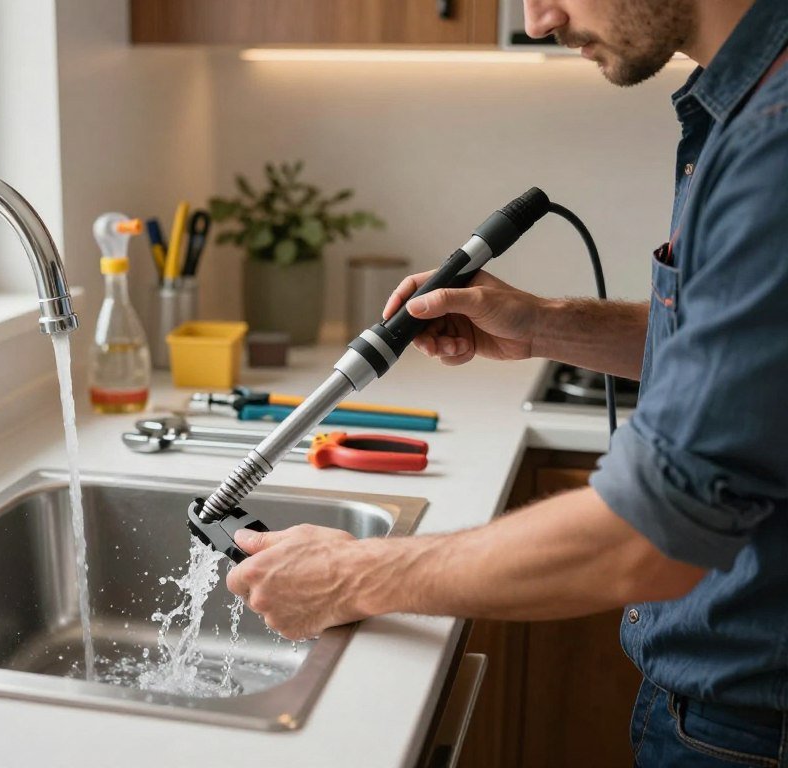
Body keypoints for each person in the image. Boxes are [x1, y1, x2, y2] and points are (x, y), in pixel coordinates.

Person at [226, 0, 788, 763]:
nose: (537, 19)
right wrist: (541, 323)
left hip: (755, 726)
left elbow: (653, 534)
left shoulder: (772, 142)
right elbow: (750, 366)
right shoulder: (747, 108)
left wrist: (350, 576)